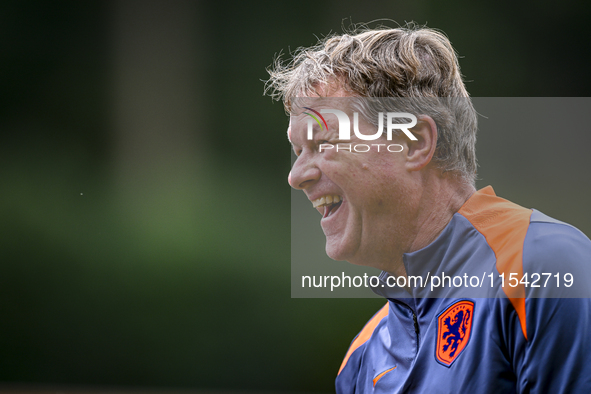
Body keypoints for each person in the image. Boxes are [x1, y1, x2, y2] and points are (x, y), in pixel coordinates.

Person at [266, 25, 591, 393]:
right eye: (298, 152)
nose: (296, 176)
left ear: (414, 143)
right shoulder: (362, 357)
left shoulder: (542, 268)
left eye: (323, 143)